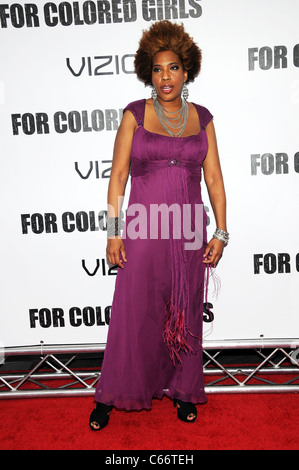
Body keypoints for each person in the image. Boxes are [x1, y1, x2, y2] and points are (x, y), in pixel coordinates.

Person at [89, 20, 228, 431]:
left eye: (173, 68)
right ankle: (111, 393)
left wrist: (220, 232)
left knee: (182, 314)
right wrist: (114, 231)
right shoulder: (135, 114)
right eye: (157, 69)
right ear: (148, 73)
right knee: (135, 315)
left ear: (187, 72)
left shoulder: (203, 119)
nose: (165, 77)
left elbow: (215, 179)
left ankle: (184, 391)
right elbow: (117, 177)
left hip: (188, 232)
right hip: (143, 231)